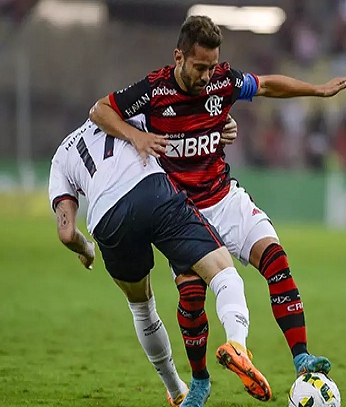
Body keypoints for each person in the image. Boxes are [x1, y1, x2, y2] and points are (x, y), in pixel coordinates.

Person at [88, 14, 346, 404]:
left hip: (224, 195)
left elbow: (265, 85)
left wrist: (318, 91)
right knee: (192, 298)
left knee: (276, 260)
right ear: (178, 56)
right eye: (200, 66)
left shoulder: (223, 81)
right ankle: (199, 381)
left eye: (212, 66)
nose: (207, 75)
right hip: (179, 212)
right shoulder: (154, 89)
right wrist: (137, 136)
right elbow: (101, 110)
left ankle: (301, 358)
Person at [48, 117, 271, 407]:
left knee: (141, 307)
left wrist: (87, 248)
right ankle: (237, 342)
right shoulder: (130, 117)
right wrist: (220, 125)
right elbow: (184, 119)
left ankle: (177, 389)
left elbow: (66, 233)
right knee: (222, 271)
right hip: (153, 192)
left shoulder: (62, 155)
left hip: (107, 219)